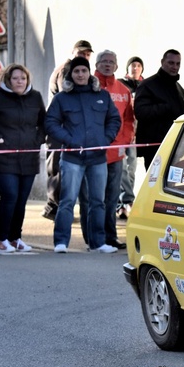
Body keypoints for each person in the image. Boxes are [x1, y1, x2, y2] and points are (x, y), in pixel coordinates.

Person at [45, 56, 122, 254]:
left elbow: (114, 119)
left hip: (97, 158)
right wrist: (69, 140)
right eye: (77, 71)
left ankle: (97, 243)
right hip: (72, 158)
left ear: (89, 73)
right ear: (71, 74)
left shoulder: (102, 96)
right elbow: (50, 123)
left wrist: (105, 140)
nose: (81, 75)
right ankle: (61, 242)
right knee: (68, 200)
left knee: (98, 201)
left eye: (84, 71)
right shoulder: (62, 98)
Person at [0, 64, 47, 253]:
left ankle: (15, 238)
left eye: (23, 78)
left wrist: (38, 140)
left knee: (21, 200)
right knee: (10, 196)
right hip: (3, 158)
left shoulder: (35, 97)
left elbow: (44, 122)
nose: (20, 82)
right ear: (8, 80)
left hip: (28, 157)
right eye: (16, 78)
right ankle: (2, 239)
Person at [42, 39, 94, 224]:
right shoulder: (67, 69)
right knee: (58, 169)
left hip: (66, 127)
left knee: (63, 169)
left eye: (87, 55)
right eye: (81, 53)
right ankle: (54, 208)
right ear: (73, 52)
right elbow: (68, 96)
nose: (84, 57)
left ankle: (56, 207)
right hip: (61, 126)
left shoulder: (74, 69)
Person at [94, 50, 134, 250]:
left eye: (111, 61)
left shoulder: (123, 90)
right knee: (94, 198)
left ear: (117, 66)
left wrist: (125, 143)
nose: (107, 64)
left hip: (116, 152)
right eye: (104, 61)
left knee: (111, 197)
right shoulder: (89, 86)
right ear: (97, 64)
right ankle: (95, 237)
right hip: (94, 151)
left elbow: (128, 120)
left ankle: (110, 236)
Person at [134, 49, 184, 170]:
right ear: (162, 62)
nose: (174, 67)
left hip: (176, 145)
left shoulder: (179, 88)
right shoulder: (147, 85)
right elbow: (140, 112)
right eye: (171, 63)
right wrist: (165, 107)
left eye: (177, 63)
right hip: (155, 147)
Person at [117, 56, 144, 220]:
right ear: (127, 68)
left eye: (139, 65)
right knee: (122, 169)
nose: (135, 68)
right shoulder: (120, 84)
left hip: (135, 133)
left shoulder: (145, 86)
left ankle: (124, 204)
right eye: (133, 65)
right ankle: (126, 200)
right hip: (120, 133)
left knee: (131, 168)